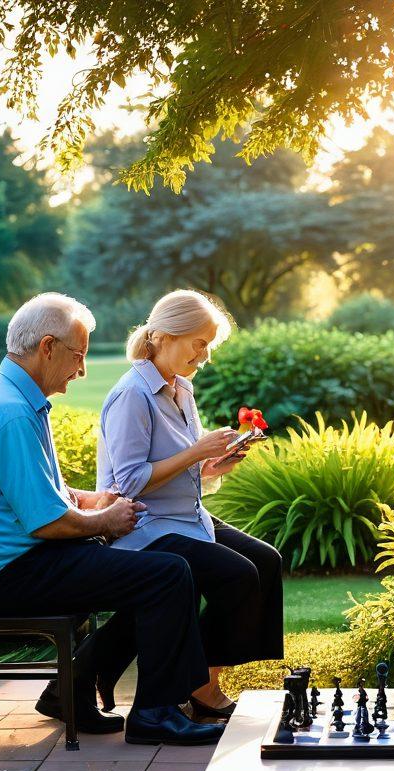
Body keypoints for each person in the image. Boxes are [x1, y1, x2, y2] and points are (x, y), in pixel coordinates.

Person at [0, 293, 223, 745]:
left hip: (20, 562)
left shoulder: (11, 396)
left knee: (155, 570)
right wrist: (107, 522)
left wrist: (93, 499)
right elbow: (46, 523)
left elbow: (40, 492)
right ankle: (154, 714)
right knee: (169, 574)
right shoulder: (12, 412)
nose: (81, 370)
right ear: (47, 347)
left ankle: (72, 692)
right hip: (13, 576)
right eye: (78, 356)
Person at [97, 290, 283, 720]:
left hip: (184, 518)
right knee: (237, 575)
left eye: (208, 345)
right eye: (198, 343)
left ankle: (205, 680)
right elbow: (128, 483)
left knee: (266, 561)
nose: (204, 355)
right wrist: (196, 453)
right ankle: (200, 686)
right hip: (144, 525)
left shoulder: (181, 389)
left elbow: (181, 469)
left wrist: (215, 464)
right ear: (163, 335)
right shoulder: (133, 395)